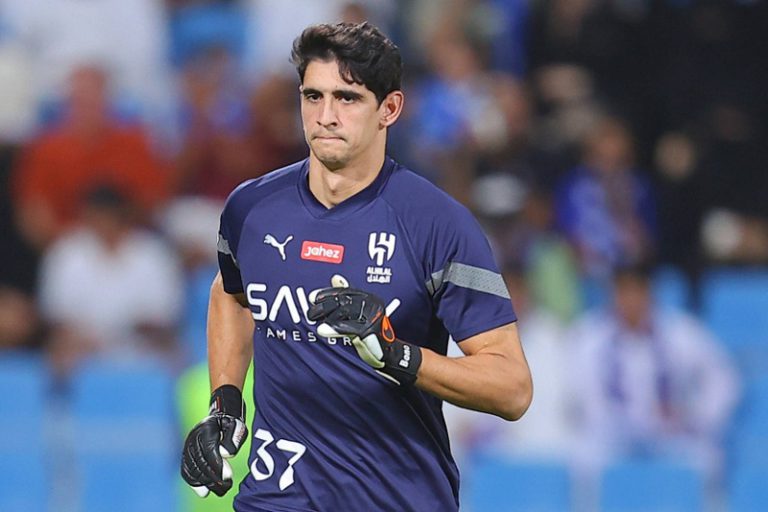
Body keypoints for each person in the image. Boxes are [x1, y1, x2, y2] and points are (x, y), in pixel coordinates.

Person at [180, 22, 532, 511]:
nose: (325, 116)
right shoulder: (250, 209)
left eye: (347, 98)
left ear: (390, 109)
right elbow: (232, 294)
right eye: (313, 96)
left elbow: (512, 389)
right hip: (276, 498)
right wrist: (225, 403)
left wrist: (395, 354)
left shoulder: (437, 224)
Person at [568, 262, 739, 484]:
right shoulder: (589, 336)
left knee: (707, 460)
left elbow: (723, 378)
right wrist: (605, 420)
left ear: (649, 293)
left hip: (669, 435)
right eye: (623, 292)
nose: (630, 301)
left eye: (636, 291)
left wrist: (697, 416)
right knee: (578, 459)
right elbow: (576, 393)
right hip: (611, 437)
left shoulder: (680, 331)